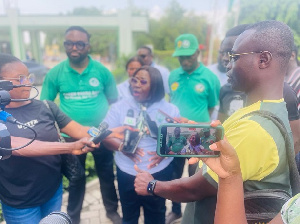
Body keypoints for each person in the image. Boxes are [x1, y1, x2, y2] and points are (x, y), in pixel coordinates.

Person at [134, 20, 295, 224]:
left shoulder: (254, 129)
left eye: (234, 57)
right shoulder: (265, 108)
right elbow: (227, 142)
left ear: (263, 60)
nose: (227, 64)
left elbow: (194, 189)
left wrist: (151, 185)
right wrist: (195, 133)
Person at [0, 53, 123, 224]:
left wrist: (111, 132)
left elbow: (79, 130)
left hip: (52, 191)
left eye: (28, 77)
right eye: (20, 78)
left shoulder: (46, 107)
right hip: (20, 202)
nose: (28, 82)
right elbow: (17, 145)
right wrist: (69, 147)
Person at [40, 26, 121, 224]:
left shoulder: (102, 72)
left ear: (88, 46)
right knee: (76, 179)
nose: (74, 47)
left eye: (79, 43)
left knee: (106, 175)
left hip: (101, 135)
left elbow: (115, 103)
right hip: (71, 138)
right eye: (69, 43)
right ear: (65, 45)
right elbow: (45, 105)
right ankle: (73, 218)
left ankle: (112, 212)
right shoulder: (55, 73)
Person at [103, 65, 180, 224]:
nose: (136, 84)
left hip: (158, 172)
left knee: (156, 214)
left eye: (143, 82)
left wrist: (166, 150)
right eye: (134, 80)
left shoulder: (170, 110)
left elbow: (178, 142)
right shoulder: (120, 107)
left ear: (156, 86)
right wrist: (122, 147)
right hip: (127, 171)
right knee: (129, 215)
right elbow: (104, 135)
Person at [201, 125, 300, 224]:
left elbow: (191, 190)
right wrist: (230, 176)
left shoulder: (255, 131)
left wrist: (230, 176)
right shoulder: (295, 208)